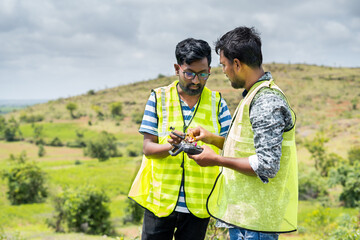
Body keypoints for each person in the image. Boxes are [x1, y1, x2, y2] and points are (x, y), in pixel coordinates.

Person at [187, 26, 298, 240]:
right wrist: (211, 138)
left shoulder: (265, 100)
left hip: (255, 223)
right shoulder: (254, 95)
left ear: (236, 64)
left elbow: (266, 165)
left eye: (224, 65)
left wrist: (217, 160)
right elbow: (247, 148)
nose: (224, 71)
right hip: (245, 217)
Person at [128, 38, 232, 240]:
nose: (196, 81)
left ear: (210, 70)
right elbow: (148, 149)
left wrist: (210, 138)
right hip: (161, 201)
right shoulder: (158, 98)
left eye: (203, 74)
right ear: (177, 68)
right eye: (190, 73)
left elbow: (231, 147)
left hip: (199, 204)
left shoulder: (218, 103)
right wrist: (170, 145)